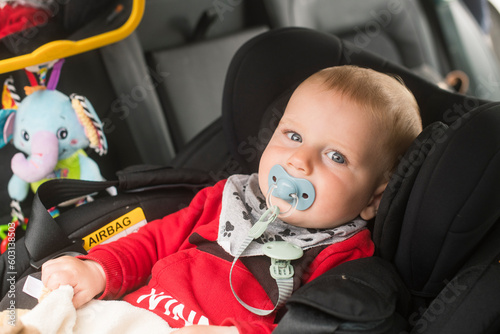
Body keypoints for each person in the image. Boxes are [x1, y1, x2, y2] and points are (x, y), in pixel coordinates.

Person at [41, 65, 422, 334]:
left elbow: (303, 326)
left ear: (374, 198)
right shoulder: (227, 198)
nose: (298, 161)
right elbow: (156, 241)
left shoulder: (343, 257)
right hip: (129, 316)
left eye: (335, 156)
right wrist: (99, 270)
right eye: (292, 136)